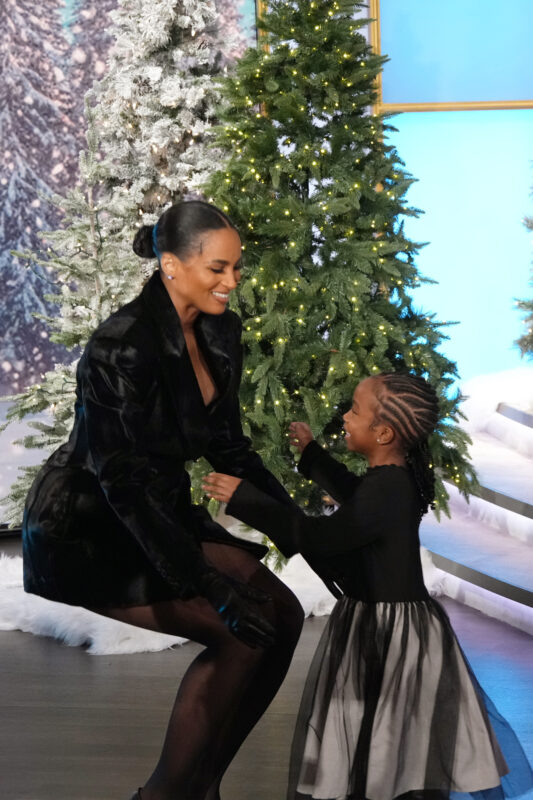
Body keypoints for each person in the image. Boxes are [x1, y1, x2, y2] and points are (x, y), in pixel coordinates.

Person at [22, 200, 304, 800]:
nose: (232, 282)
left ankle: (203, 787)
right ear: (171, 265)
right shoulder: (119, 346)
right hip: (89, 523)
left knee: (284, 617)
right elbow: (120, 481)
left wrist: (297, 526)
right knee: (239, 634)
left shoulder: (220, 330)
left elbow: (228, 445)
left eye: (237, 268)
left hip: (159, 509)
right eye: (218, 268)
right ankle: (163, 795)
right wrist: (207, 581)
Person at [204, 372, 533, 800]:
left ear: (383, 433)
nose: (345, 416)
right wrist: (313, 455)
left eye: (355, 411)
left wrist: (248, 500)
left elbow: (323, 537)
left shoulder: (389, 489)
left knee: (390, 729)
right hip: (382, 621)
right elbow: (356, 493)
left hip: (390, 633)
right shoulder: (391, 479)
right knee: (383, 727)